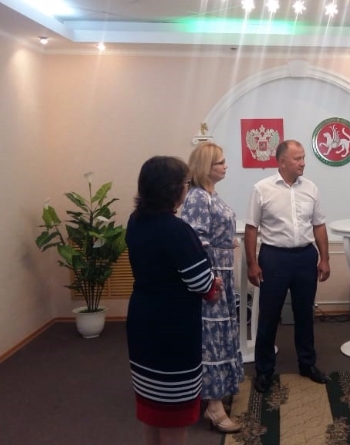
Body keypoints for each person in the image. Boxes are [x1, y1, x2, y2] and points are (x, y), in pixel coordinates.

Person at [125, 156, 222, 445]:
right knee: (173, 417)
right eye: (185, 183)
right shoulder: (176, 229)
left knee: (152, 410)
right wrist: (213, 284)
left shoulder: (135, 221)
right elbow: (201, 283)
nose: (187, 188)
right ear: (172, 188)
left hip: (142, 322)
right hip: (172, 329)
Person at [244, 139, 331, 393]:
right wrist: (252, 263)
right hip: (274, 258)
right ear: (282, 162)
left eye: (303, 158)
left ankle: (307, 364)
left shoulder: (311, 188)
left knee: (305, 313)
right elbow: (251, 228)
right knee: (269, 315)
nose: (303, 163)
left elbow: (319, 225)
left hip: (305, 257)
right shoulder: (262, 189)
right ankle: (264, 371)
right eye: (297, 158)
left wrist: (324, 258)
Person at [180, 142, 244, 433]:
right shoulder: (197, 197)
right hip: (212, 277)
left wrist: (227, 242)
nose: (225, 166)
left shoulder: (210, 194)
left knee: (221, 334)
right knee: (212, 339)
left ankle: (216, 395)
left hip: (222, 272)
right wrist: (209, 278)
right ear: (206, 166)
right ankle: (214, 407)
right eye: (220, 162)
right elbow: (194, 242)